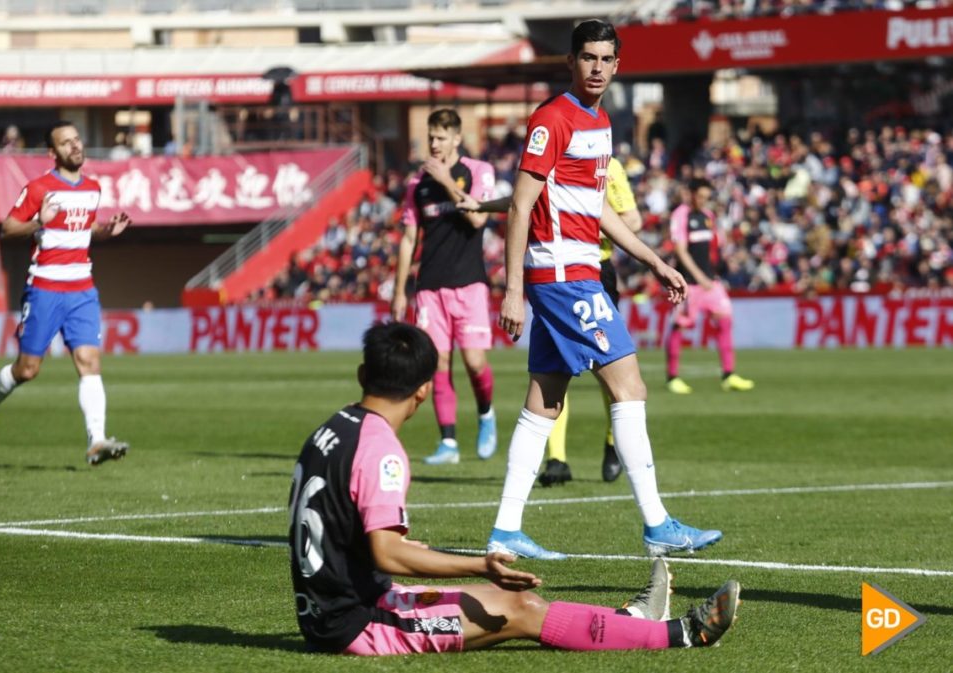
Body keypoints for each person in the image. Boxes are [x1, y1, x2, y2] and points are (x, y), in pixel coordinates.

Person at [288, 321, 741, 655]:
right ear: (425, 390)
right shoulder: (381, 450)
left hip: (334, 607)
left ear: (363, 375)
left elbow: (344, 530)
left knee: (510, 601)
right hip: (356, 623)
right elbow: (389, 553)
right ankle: (684, 633)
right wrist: (480, 565)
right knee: (521, 609)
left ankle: (629, 621)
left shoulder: (331, 429)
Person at [488, 20, 722, 560]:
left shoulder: (601, 122)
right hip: (564, 275)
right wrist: (513, 289)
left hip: (577, 271)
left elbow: (597, 210)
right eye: (587, 57)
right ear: (571, 61)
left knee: (543, 401)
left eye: (605, 59)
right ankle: (658, 522)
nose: (596, 67)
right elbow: (521, 203)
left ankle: (505, 530)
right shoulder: (551, 119)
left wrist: (655, 260)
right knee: (630, 385)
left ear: (617, 65)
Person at [458, 156, 642, 487]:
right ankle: (557, 459)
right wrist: (483, 206)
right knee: (555, 371)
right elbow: (523, 200)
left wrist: (580, 225)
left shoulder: (607, 166)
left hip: (595, 271)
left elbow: (633, 219)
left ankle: (613, 444)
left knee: (612, 370)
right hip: (554, 276)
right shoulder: (546, 157)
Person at [0, 121, 132, 466]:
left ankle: (96, 440)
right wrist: (40, 221)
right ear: (52, 153)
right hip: (45, 287)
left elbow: (84, 229)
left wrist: (105, 231)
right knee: (27, 370)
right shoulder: (40, 188)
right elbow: (9, 227)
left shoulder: (93, 188)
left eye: (76, 139)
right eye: (66, 143)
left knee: (89, 362)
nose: (75, 146)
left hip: (82, 287)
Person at [391, 109, 498, 465]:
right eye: (431, 137)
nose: (433, 144)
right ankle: (448, 443)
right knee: (437, 363)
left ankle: (486, 415)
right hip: (429, 287)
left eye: (440, 137)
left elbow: (478, 217)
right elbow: (409, 239)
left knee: (474, 361)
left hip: (469, 283)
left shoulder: (477, 172)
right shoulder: (416, 185)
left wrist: (447, 183)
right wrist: (398, 291)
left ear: (456, 138)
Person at [665, 178, 755, 394]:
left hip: (710, 282)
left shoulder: (708, 216)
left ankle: (728, 374)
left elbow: (714, 248)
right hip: (689, 283)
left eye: (707, 197)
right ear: (691, 193)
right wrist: (698, 276)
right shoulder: (681, 215)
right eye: (701, 196)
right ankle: (673, 377)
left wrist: (720, 268)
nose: (704, 201)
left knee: (725, 320)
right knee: (680, 325)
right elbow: (680, 250)